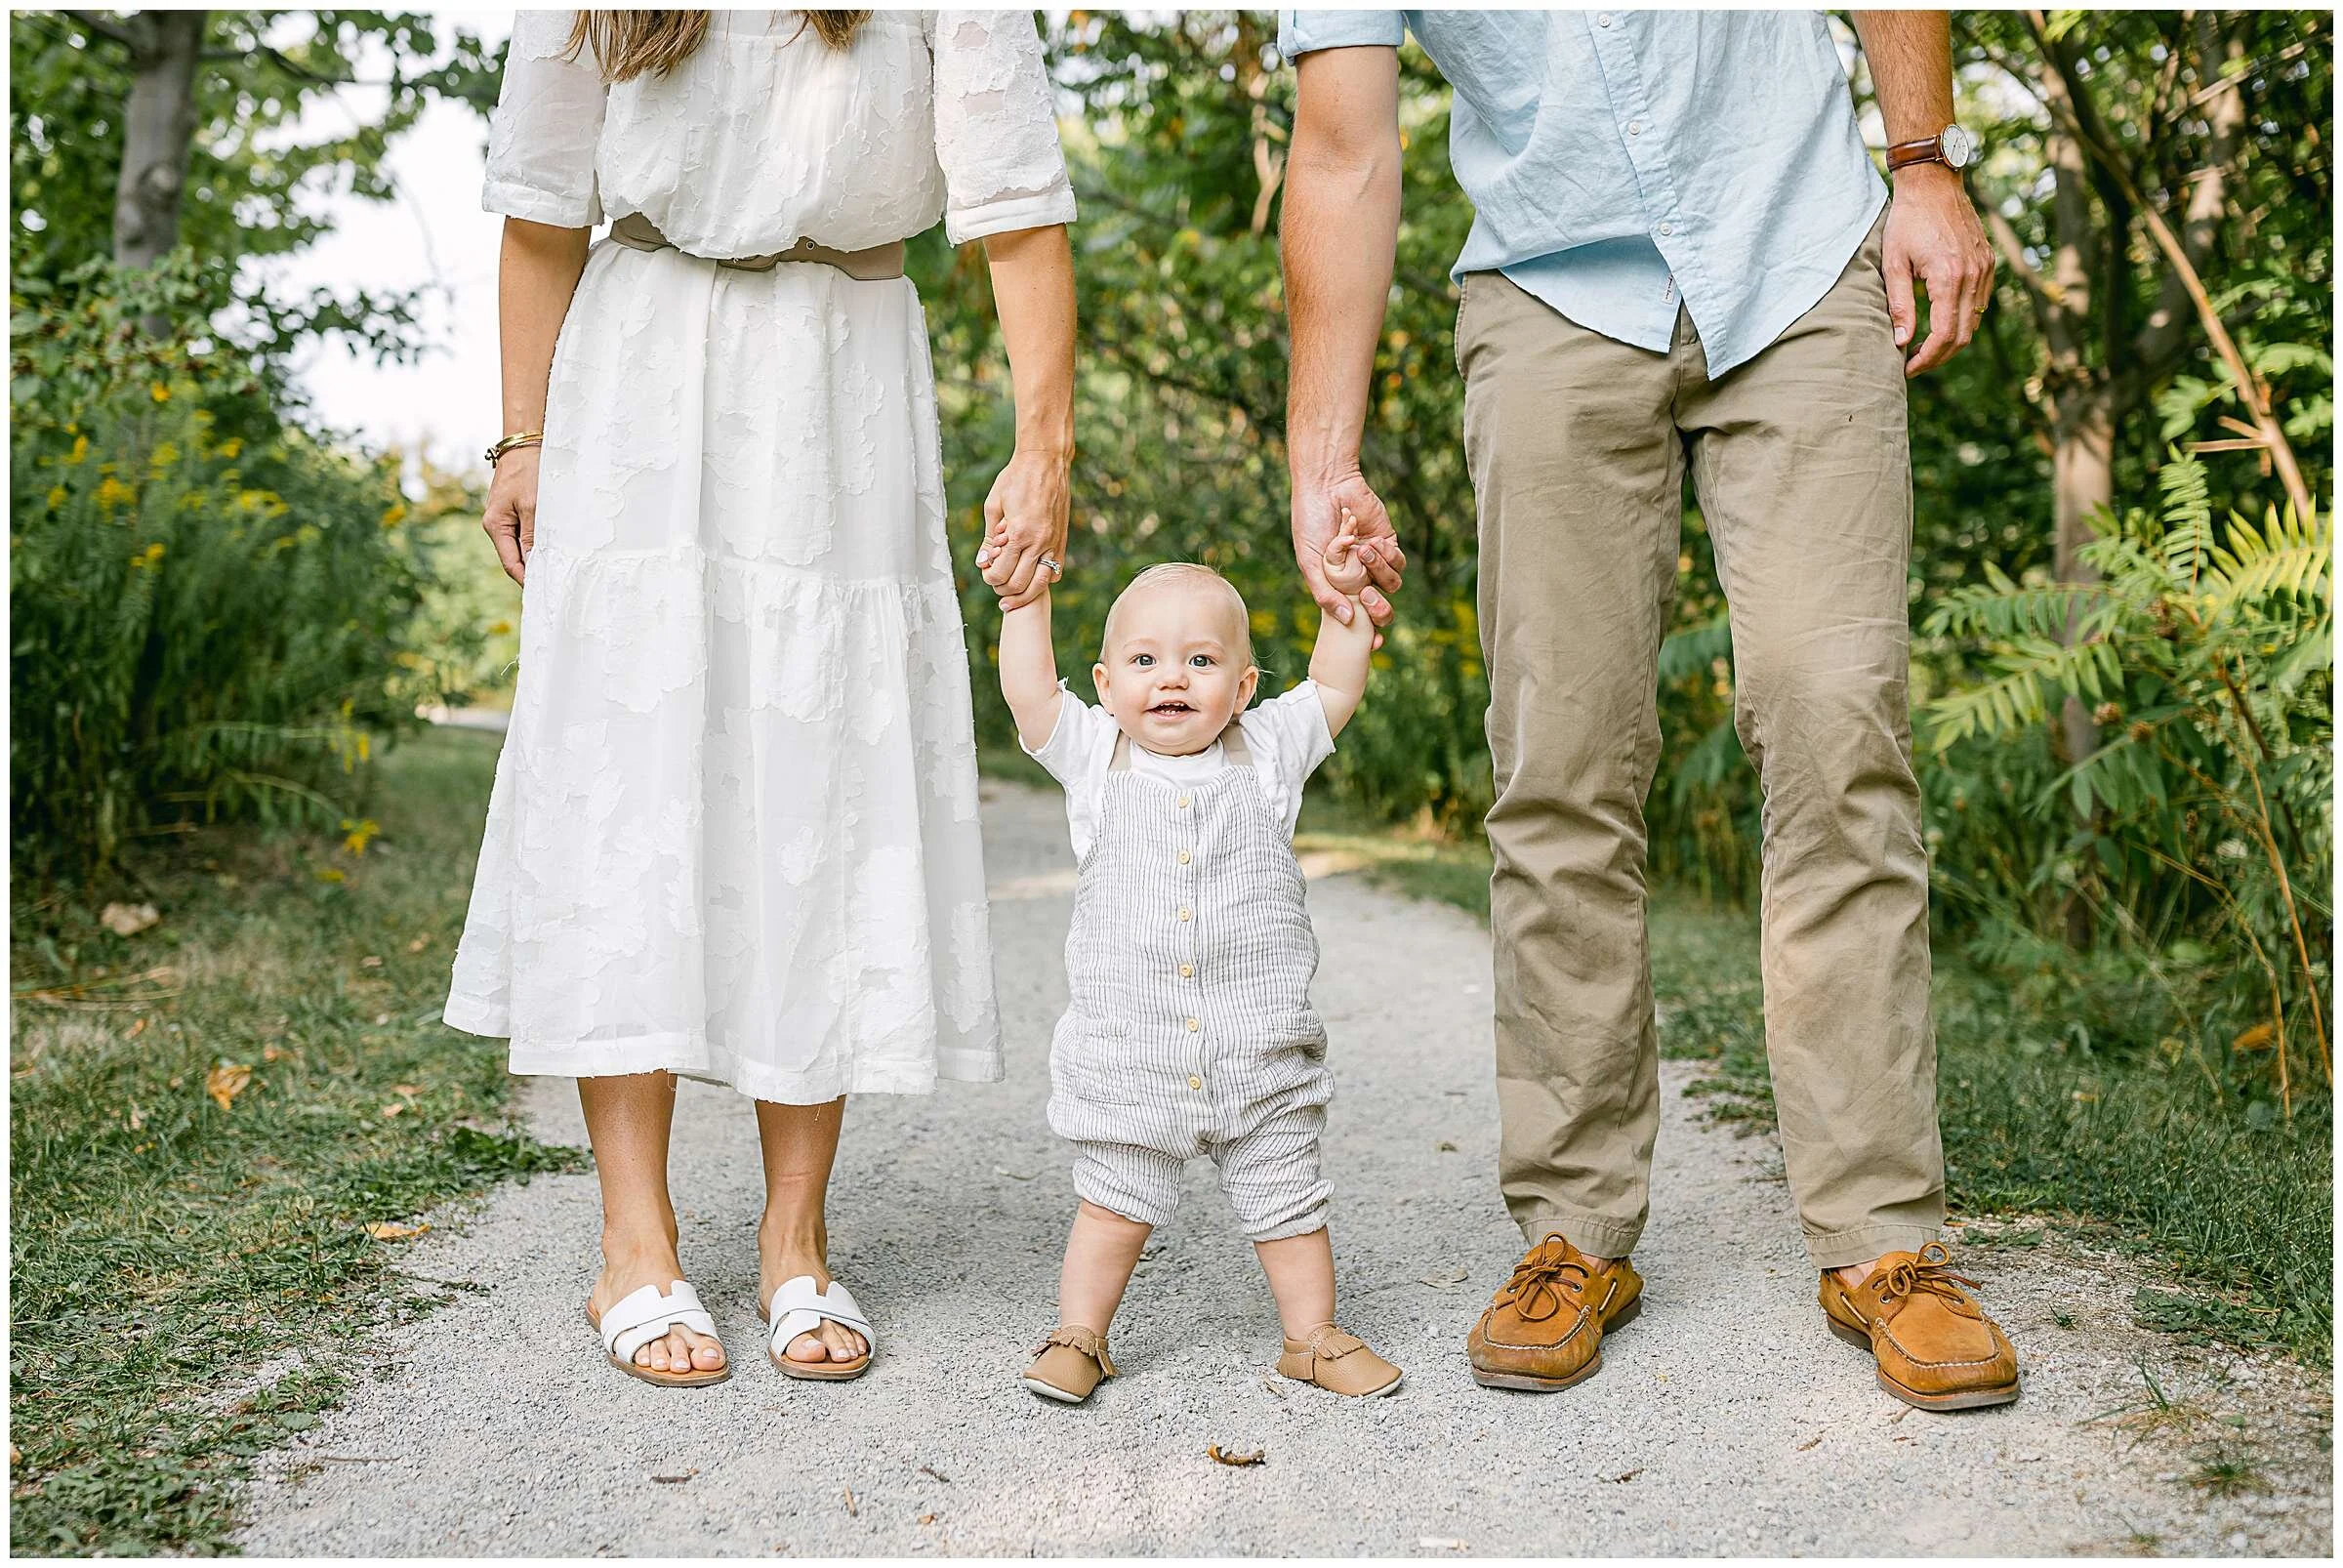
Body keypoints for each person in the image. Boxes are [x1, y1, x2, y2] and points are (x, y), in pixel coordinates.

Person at [1277, 9, 2020, 1411]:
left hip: (1797, 252)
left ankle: (1884, 1242)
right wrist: (1326, 454)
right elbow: (1340, 147)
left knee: (1836, 726)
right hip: (1551, 293)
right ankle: (1574, 1230)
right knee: (1557, 764)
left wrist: (1924, 162)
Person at [443, 8, 1077, 1387]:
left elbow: (1019, 208)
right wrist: (521, 435)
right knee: (632, 787)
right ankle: (635, 1237)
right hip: (636, 371)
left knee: (823, 788)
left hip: (841, 370)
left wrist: (1045, 443)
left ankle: (797, 1234)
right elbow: (544, 205)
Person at [989, 527, 1404, 1404]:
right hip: (1134, 1052)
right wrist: (1025, 606)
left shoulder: (1268, 753)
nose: (1171, 677)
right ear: (1106, 686)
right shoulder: (1098, 758)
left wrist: (1345, 606)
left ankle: (1312, 1337)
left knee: (1288, 1195)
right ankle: (1080, 1335)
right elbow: (1030, 697)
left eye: (1201, 659)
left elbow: (1332, 684)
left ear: (1243, 686)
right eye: (1143, 659)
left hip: (1258, 1047)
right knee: (1113, 1197)